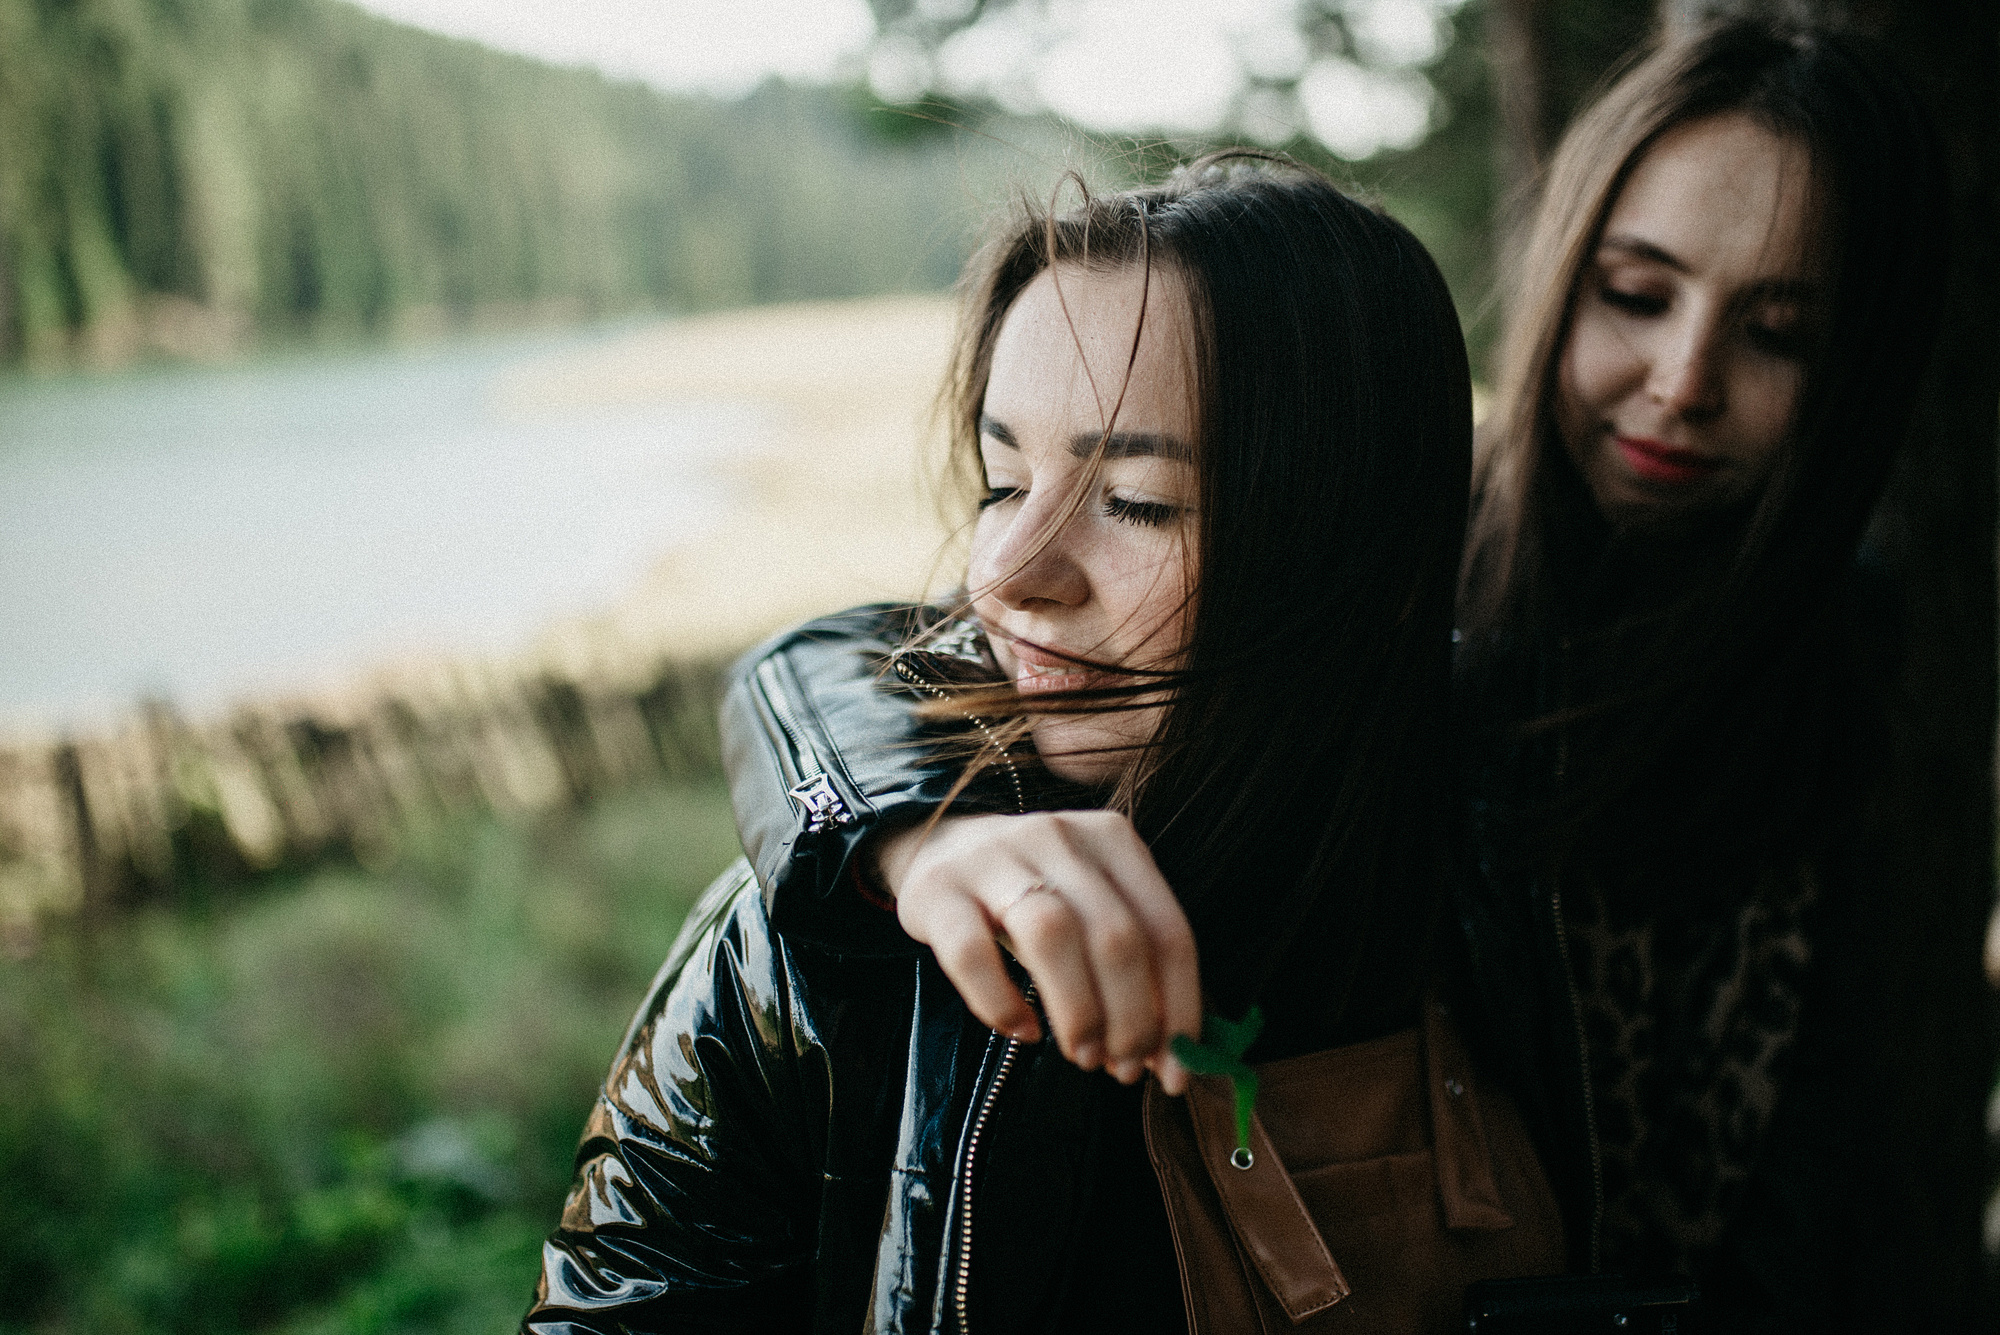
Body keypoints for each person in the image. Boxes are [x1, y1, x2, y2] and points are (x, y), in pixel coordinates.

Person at [686, 17, 1980, 1331]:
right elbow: (860, 660)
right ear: (1559, 277)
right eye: (1636, 295)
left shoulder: (1859, 676)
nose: (1682, 381)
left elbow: (1813, 1158)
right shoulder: (1382, 544)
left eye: (1774, 331)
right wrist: (913, 829)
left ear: (1857, 372)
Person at [525, 157, 1556, 1332]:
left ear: (1355, 545)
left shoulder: (1528, 887)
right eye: (1001, 480)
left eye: (1136, 503)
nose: (1009, 578)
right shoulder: (825, 957)